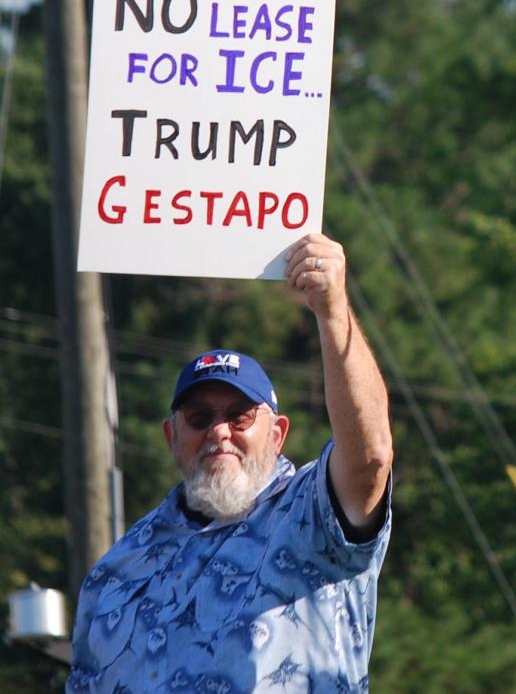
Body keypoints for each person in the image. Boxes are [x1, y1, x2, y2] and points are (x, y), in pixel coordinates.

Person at [68, 233, 394, 693]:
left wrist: (333, 310)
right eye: (199, 418)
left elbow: (371, 456)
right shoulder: (116, 573)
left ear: (278, 434)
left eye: (240, 416)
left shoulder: (314, 516)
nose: (219, 431)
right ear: (172, 437)